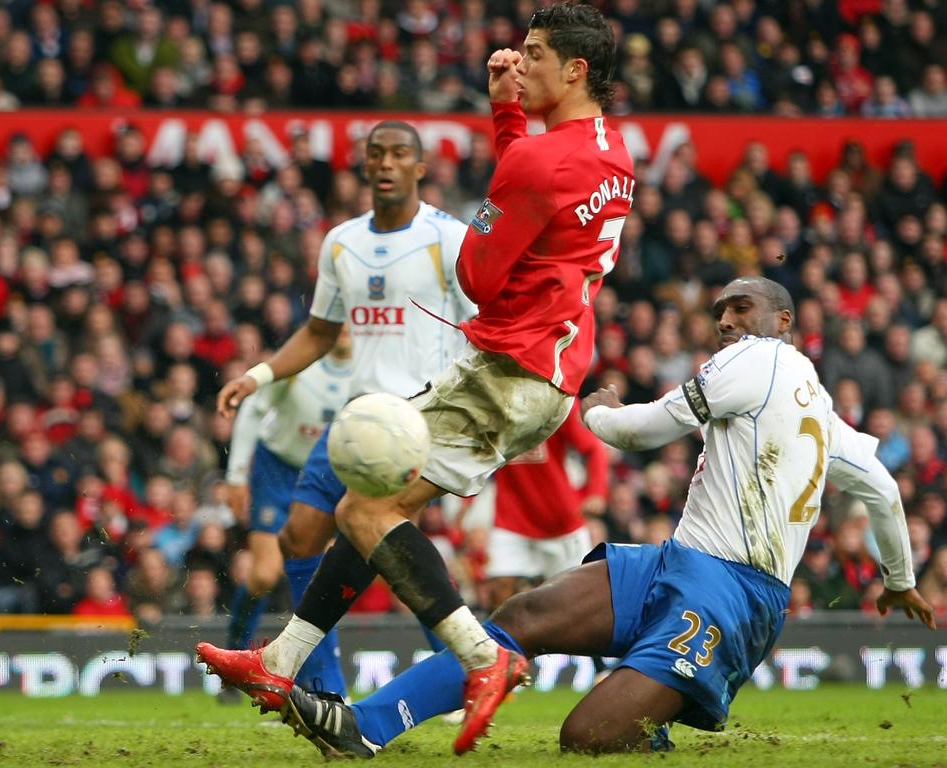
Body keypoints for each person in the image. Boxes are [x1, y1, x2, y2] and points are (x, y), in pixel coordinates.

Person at [197, 3, 633, 754]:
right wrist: (508, 121)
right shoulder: (613, 153)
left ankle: (480, 655)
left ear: (575, 69)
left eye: (531, 55)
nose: (515, 63)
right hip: (549, 369)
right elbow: (535, 202)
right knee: (366, 506)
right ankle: (281, 663)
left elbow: (478, 275)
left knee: (364, 514)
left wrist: (505, 138)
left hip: (505, 369)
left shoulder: (536, 160)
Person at [277, 276, 935, 758]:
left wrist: (599, 413)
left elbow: (645, 430)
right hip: (683, 564)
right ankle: (364, 726)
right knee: (522, 617)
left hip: (729, 595)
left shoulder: (756, 358)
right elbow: (881, 489)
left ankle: (653, 721)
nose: (727, 321)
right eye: (718, 312)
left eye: (741, 307)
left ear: (783, 319)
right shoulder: (818, 405)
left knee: (586, 739)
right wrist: (900, 578)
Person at [201, 118, 475, 696]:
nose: (386, 162)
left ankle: (465, 667)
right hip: (358, 419)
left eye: (400, 153)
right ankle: (326, 688)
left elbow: (482, 323)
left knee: (375, 541)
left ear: (420, 168)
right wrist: (257, 376)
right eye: (376, 153)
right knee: (300, 536)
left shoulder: (449, 239)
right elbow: (321, 332)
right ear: (364, 164)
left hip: (419, 417)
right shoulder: (341, 242)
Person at [221, 327, 352, 697]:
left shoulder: (367, 371)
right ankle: (236, 650)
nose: (343, 329)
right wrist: (236, 476)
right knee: (264, 574)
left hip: (326, 474)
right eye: (336, 320)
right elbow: (253, 409)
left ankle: (315, 680)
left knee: (316, 580)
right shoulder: (300, 363)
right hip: (276, 470)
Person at [484, 403, 608, 609]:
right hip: (511, 517)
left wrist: (596, 492)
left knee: (573, 602)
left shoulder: (558, 400)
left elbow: (593, 449)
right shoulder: (494, 399)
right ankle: (503, 642)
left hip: (561, 522)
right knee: (498, 588)